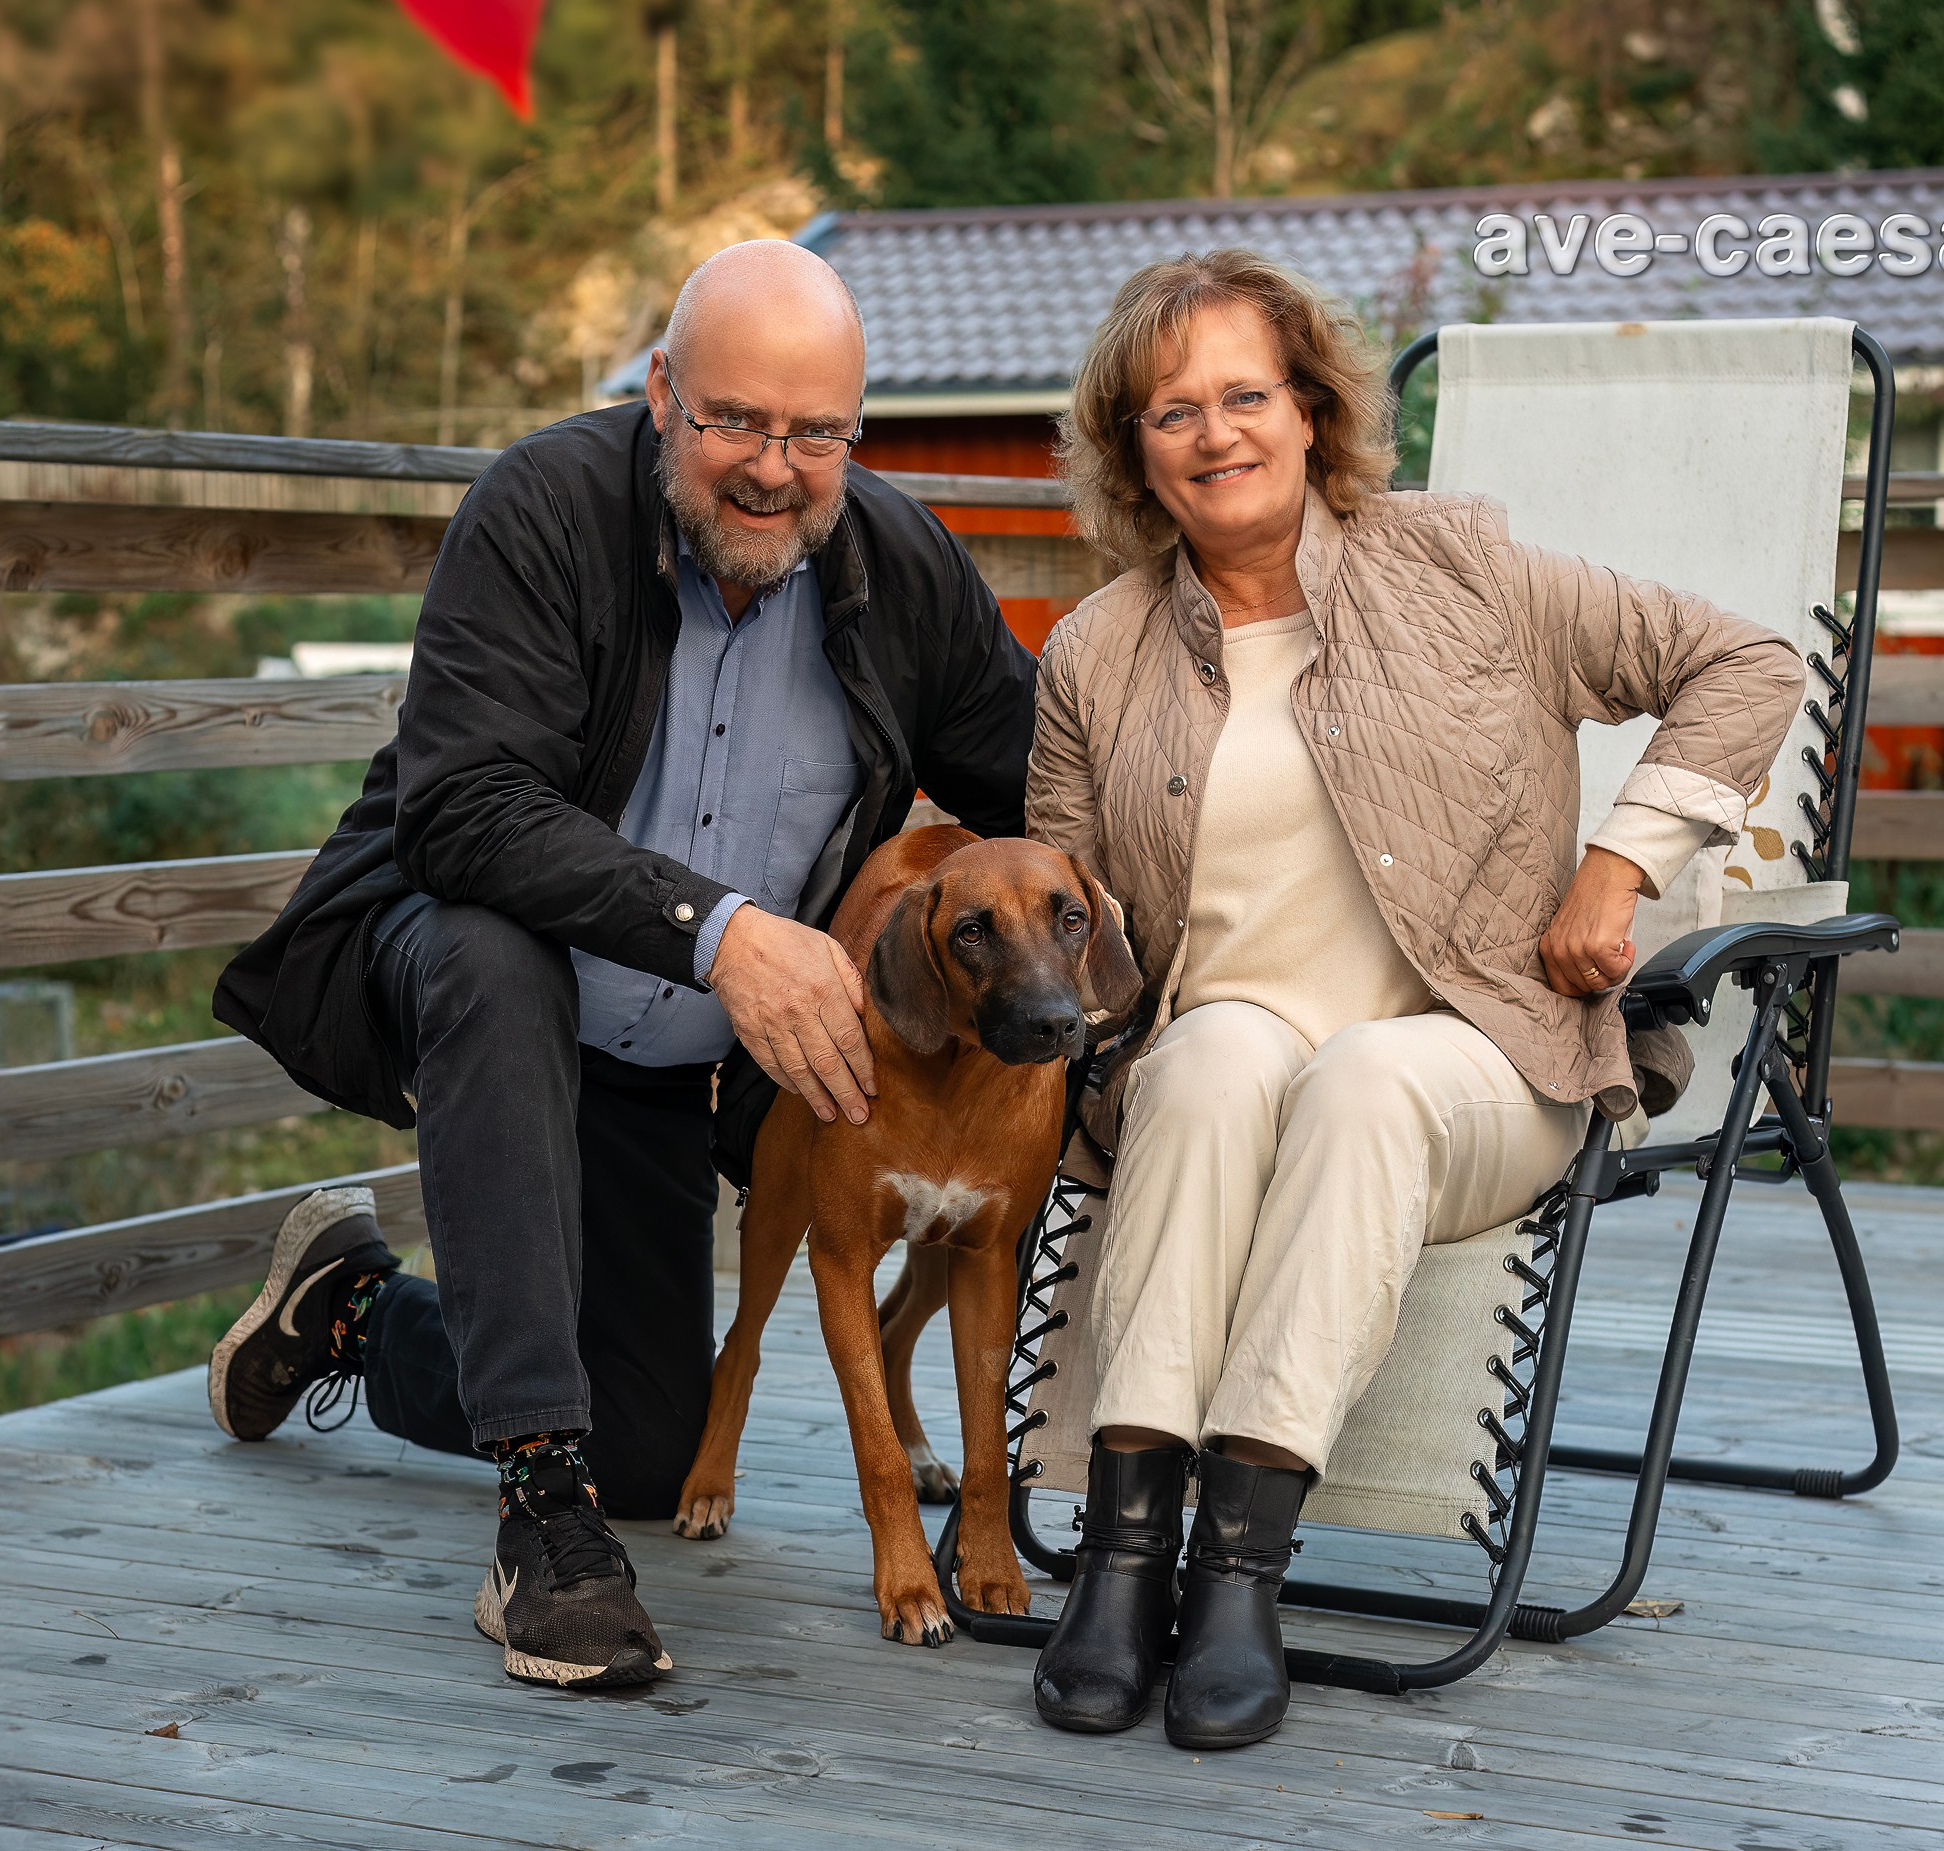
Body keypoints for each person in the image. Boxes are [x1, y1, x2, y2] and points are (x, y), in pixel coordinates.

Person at [206, 240, 1036, 1692]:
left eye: (816, 434)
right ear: (660, 393)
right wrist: (724, 932)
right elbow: (462, 813)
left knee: (651, 1452)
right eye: (735, 421)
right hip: (464, 981)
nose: (773, 469)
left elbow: (1048, 796)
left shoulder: (906, 570)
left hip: (660, 1065)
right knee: (495, 952)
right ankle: (542, 1526)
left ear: (855, 435)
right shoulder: (541, 509)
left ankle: (347, 1308)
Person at [1023, 250, 1802, 1751]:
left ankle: (1236, 1576)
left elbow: (1744, 662)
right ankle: (1121, 1563)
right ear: (1134, 453)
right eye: (1173, 412)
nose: (1216, 433)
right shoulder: (1096, 655)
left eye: (1246, 395)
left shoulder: (1464, 572)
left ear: (1311, 410)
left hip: (1475, 1066)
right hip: (1213, 1082)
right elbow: (1076, 923)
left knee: (1365, 1079)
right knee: (1211, 1059)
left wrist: (1616, 870)